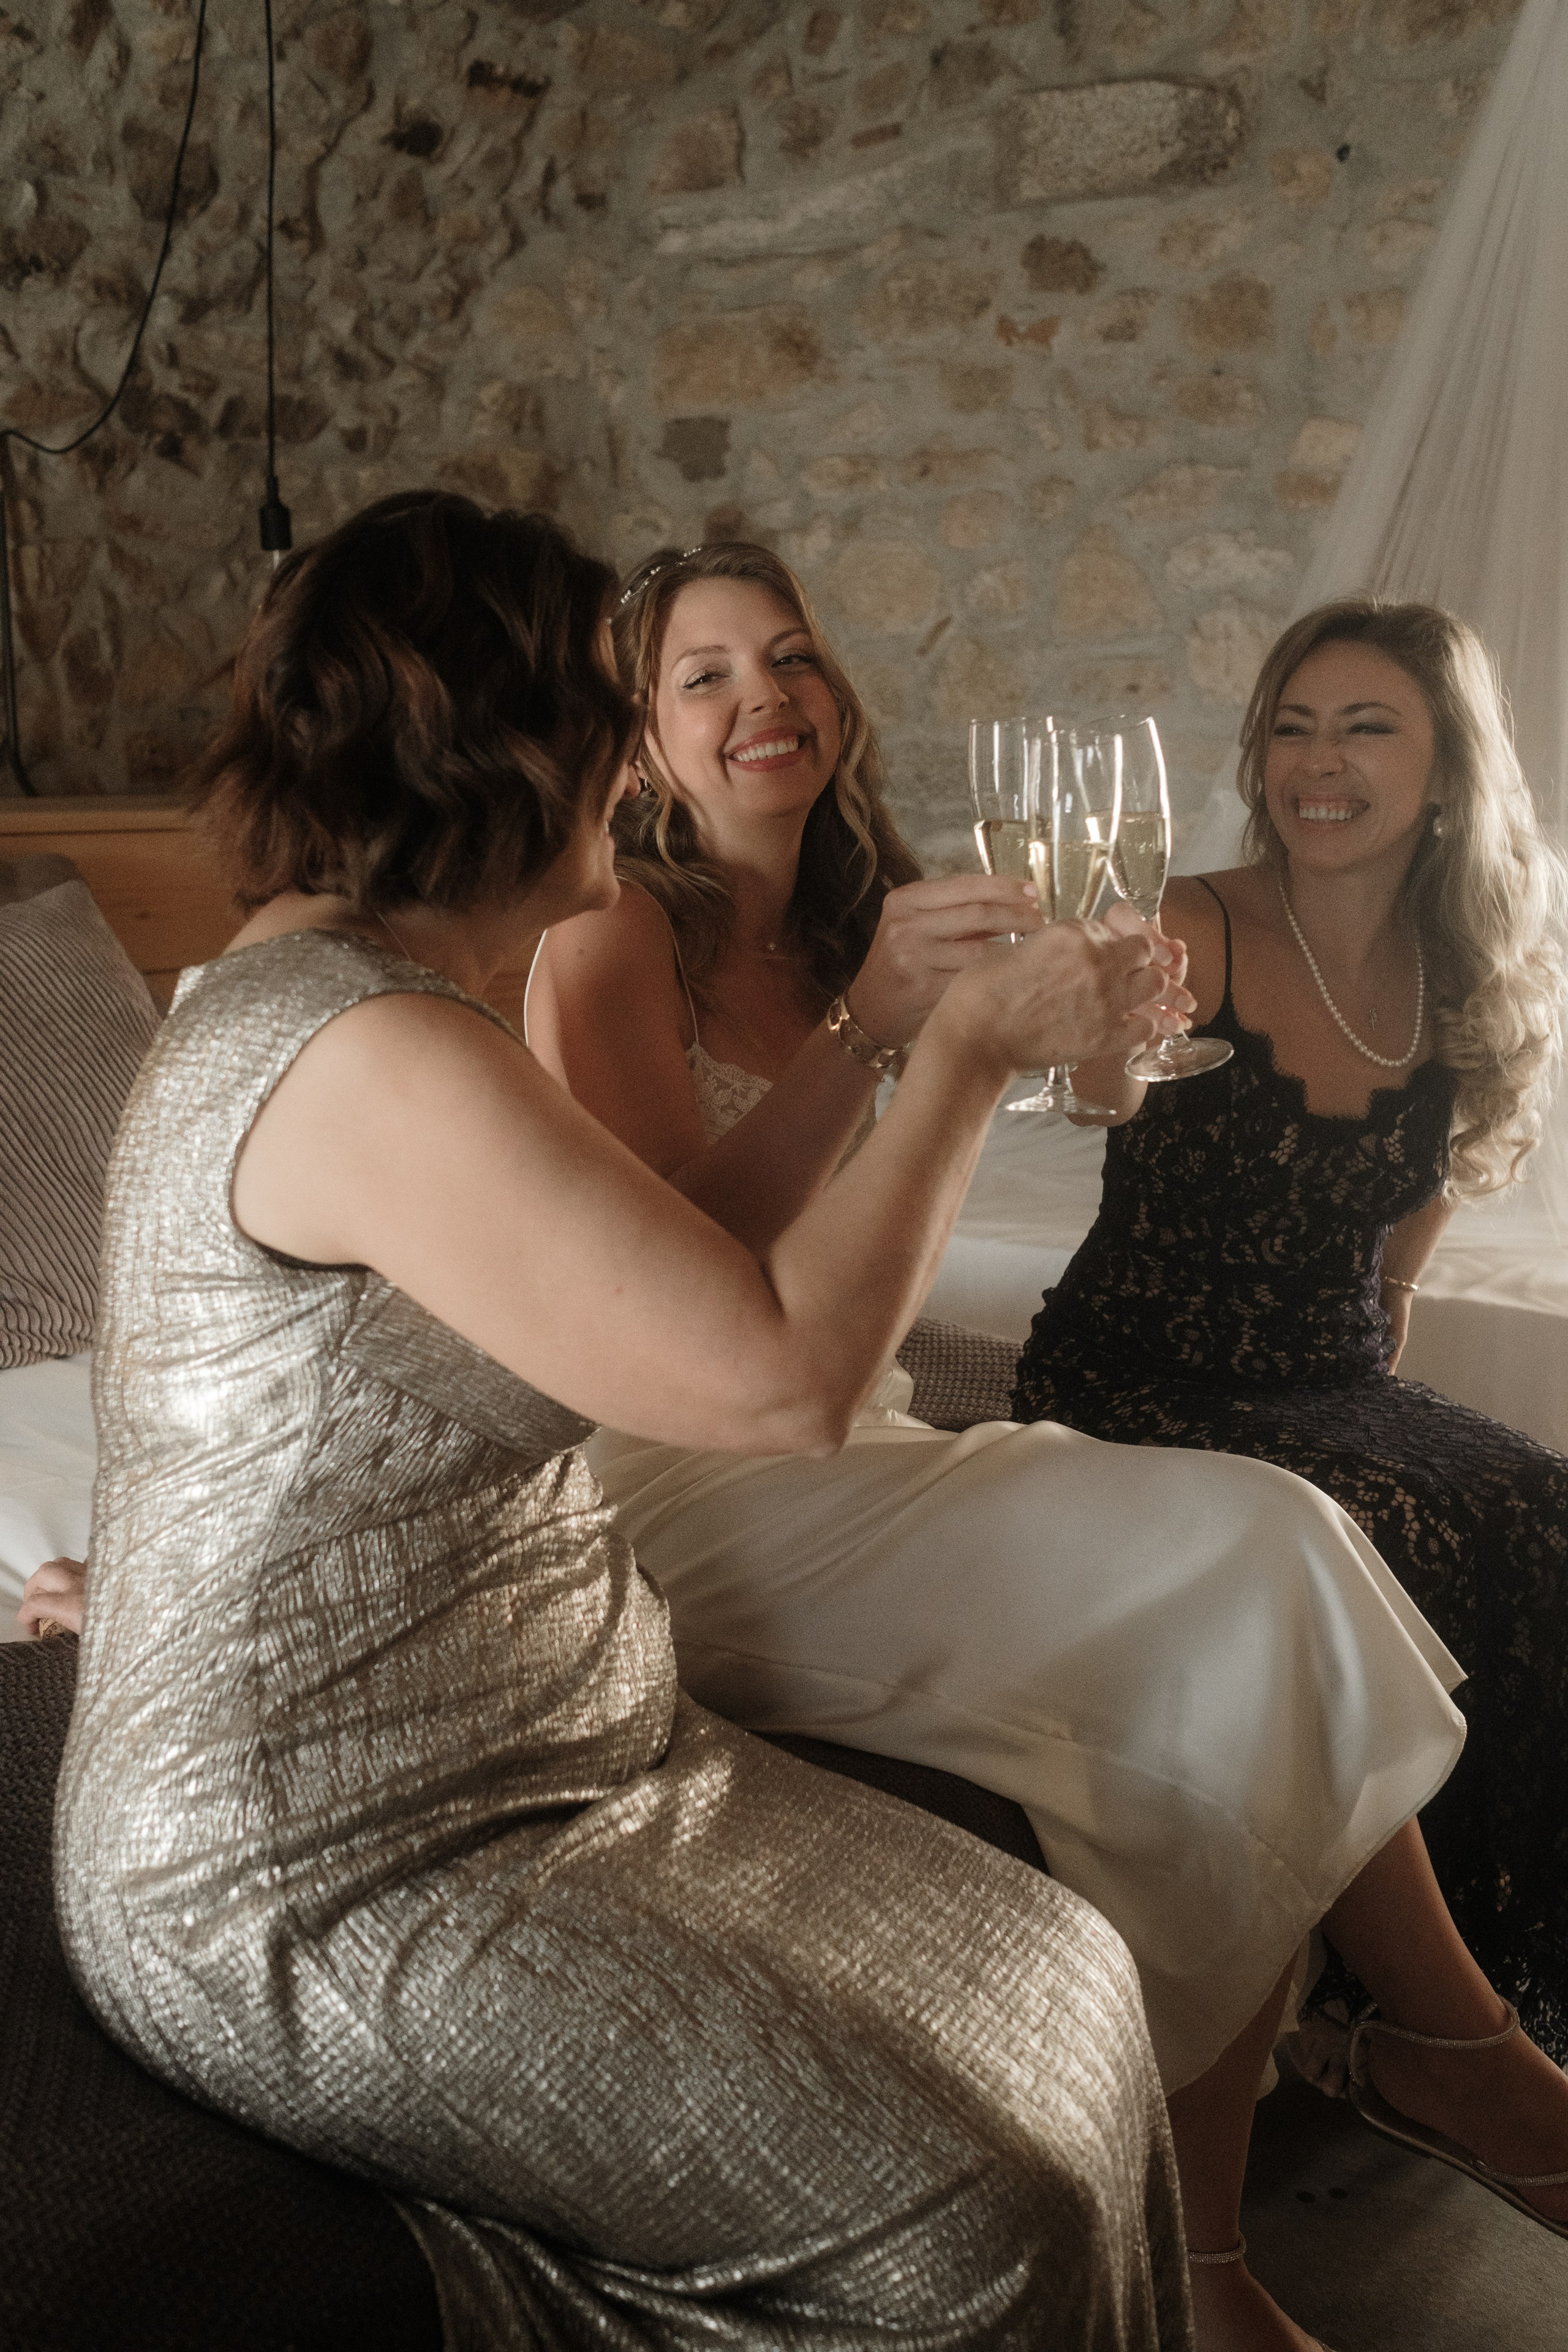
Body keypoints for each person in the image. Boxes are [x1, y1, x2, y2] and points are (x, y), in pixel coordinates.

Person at [53, 489, 1205, 2352]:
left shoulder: (397, 992)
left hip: (564, 1752)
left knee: (1068, 1971)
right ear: (506, 740)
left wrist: (865, 1034)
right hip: (325, 1859)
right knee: (963, 2205)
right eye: (614, 700)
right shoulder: (364, 1045)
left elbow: (672, 1260)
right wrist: (975, 1058)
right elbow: (779, 1381)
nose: (633, 761)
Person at [522, 541, 1568, 2348]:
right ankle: (1460, 2080)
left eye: (789, 658)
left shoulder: (874, 912)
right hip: (676, 1470)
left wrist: (1026, 1046)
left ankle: (1247, 2230)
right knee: (1250, 1568)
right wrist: (885, 1041)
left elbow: (892, 1249)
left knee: (1278, 1546)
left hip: (862, 1425)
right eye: (704, 678)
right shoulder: (616, 925)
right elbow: (687, 1289)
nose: (762, 696)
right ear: (644, 738)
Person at [1010, 600, 1568, 2070]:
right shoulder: (1188, 917)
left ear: (1446, 770)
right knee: (1377, 1521)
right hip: (1134, 1376)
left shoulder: (1471, 960)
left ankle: (1432, 1994)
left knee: (1533, 1503)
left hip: (1323, 1375)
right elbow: (1102, 1093)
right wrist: (1093, 1048)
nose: (1315, 763)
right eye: (1291, 727)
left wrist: (1381, 1341)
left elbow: (1432, 1183)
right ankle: (1418, 2033)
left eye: (1365, 726)